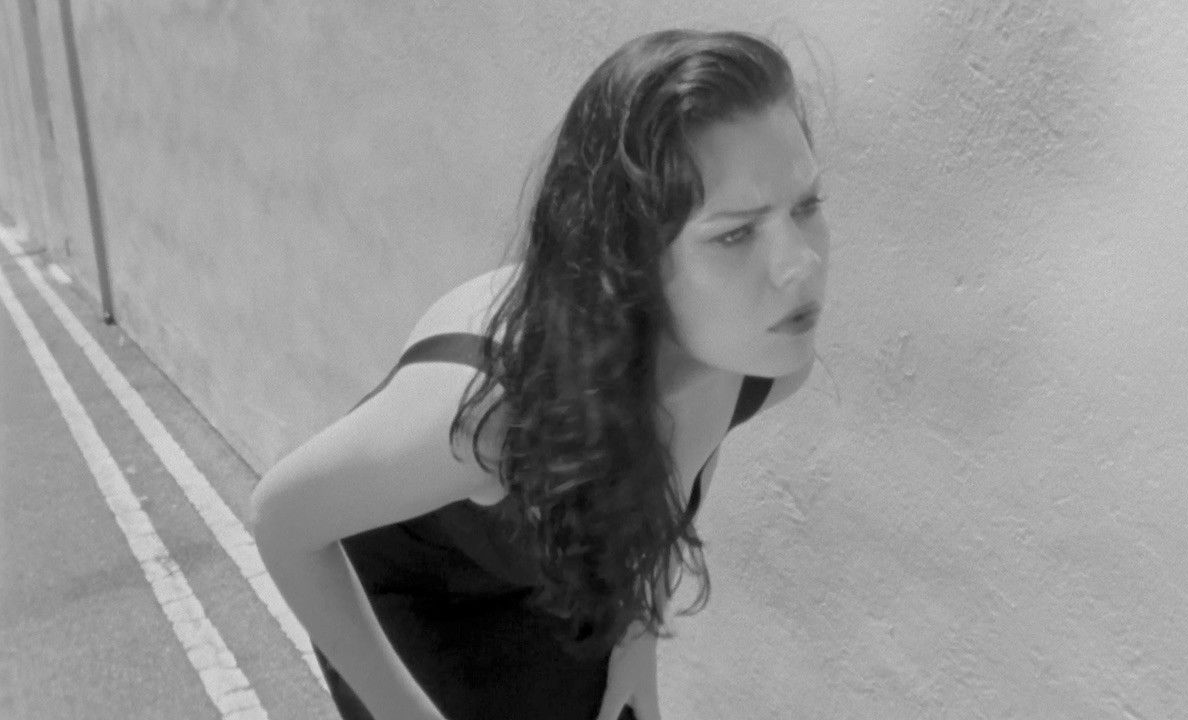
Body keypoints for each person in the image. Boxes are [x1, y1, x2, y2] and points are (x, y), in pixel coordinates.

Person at [248, 27, 830, 720]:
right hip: (419, 599)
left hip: (554, 574)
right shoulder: (493, 411)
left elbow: (670, 480)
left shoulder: (758, 360)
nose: (801, 264)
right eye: (735, 233)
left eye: (807, 206)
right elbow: (282, 521)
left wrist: (637, 638)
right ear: (630, 256)